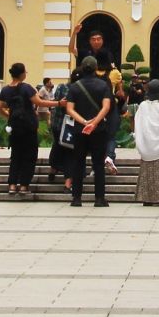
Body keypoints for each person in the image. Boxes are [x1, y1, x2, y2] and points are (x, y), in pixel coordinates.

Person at [63, 56, 115, 207]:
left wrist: (84, 122)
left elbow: (69, 109)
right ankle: (99, 198)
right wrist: (94, 122)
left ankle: (76, 198)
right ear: (96, 68)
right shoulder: (103, 85)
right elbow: (106, 107)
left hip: (79, 130)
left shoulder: (75, 87)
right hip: (98, 130)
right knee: (98, 164)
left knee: (78, 163)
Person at [0, 63, 41, 195]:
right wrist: (58, 103)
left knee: (16, 155)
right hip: (29, 126)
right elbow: (39, 102)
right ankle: (24, 186)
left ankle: (12, 185)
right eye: (25, 72)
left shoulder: (5, 90)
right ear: (22, 74)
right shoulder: (27, 88)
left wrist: (9, 116)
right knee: (30, 155)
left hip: (15, 127)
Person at [133, 80, 159, 205]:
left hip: (145, 144)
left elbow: (137, 123)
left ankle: (146, 198)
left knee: (146, 172)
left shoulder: (142, 106)